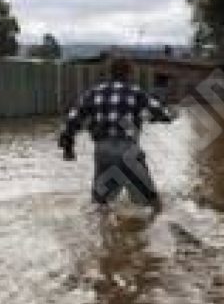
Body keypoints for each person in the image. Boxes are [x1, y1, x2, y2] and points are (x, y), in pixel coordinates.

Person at [58, 58, 173, 210]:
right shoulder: (136, 92)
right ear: (129, 73)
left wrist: (68, 147)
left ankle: (99, 231)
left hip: (103, 151)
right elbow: (163, 114)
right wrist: (164, 116)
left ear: (110, 73)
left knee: (100, 205)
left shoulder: (93, 92)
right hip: (128, 152)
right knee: (152, 204)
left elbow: (72, 119)